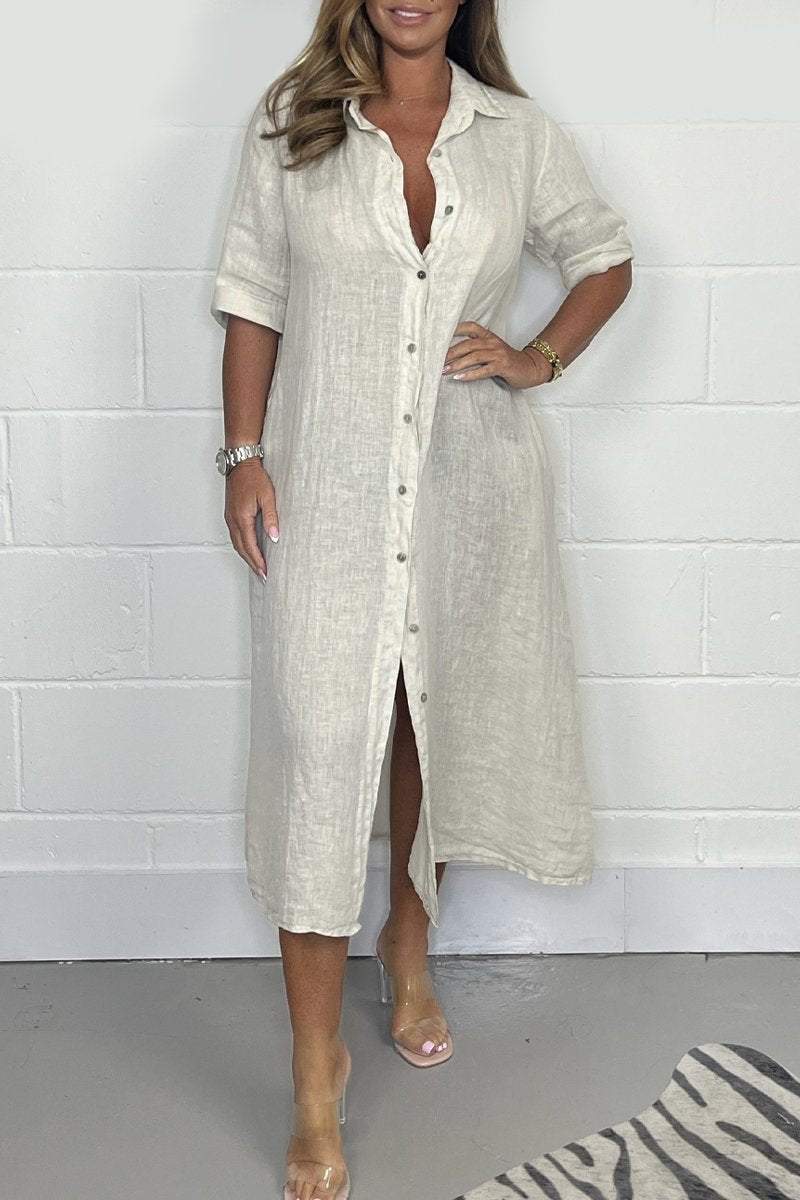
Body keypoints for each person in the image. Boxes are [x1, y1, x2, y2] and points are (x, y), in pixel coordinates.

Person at [210, 2, 634, 1196]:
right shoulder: (296, 121)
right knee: (319, 743)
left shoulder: (514, 134)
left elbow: (604, 255)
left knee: (424, 723)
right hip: (328, 488)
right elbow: (252, 293)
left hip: (468, 486)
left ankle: (408, 942)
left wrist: (537, 357)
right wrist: (242, 455)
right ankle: (314, 1069)